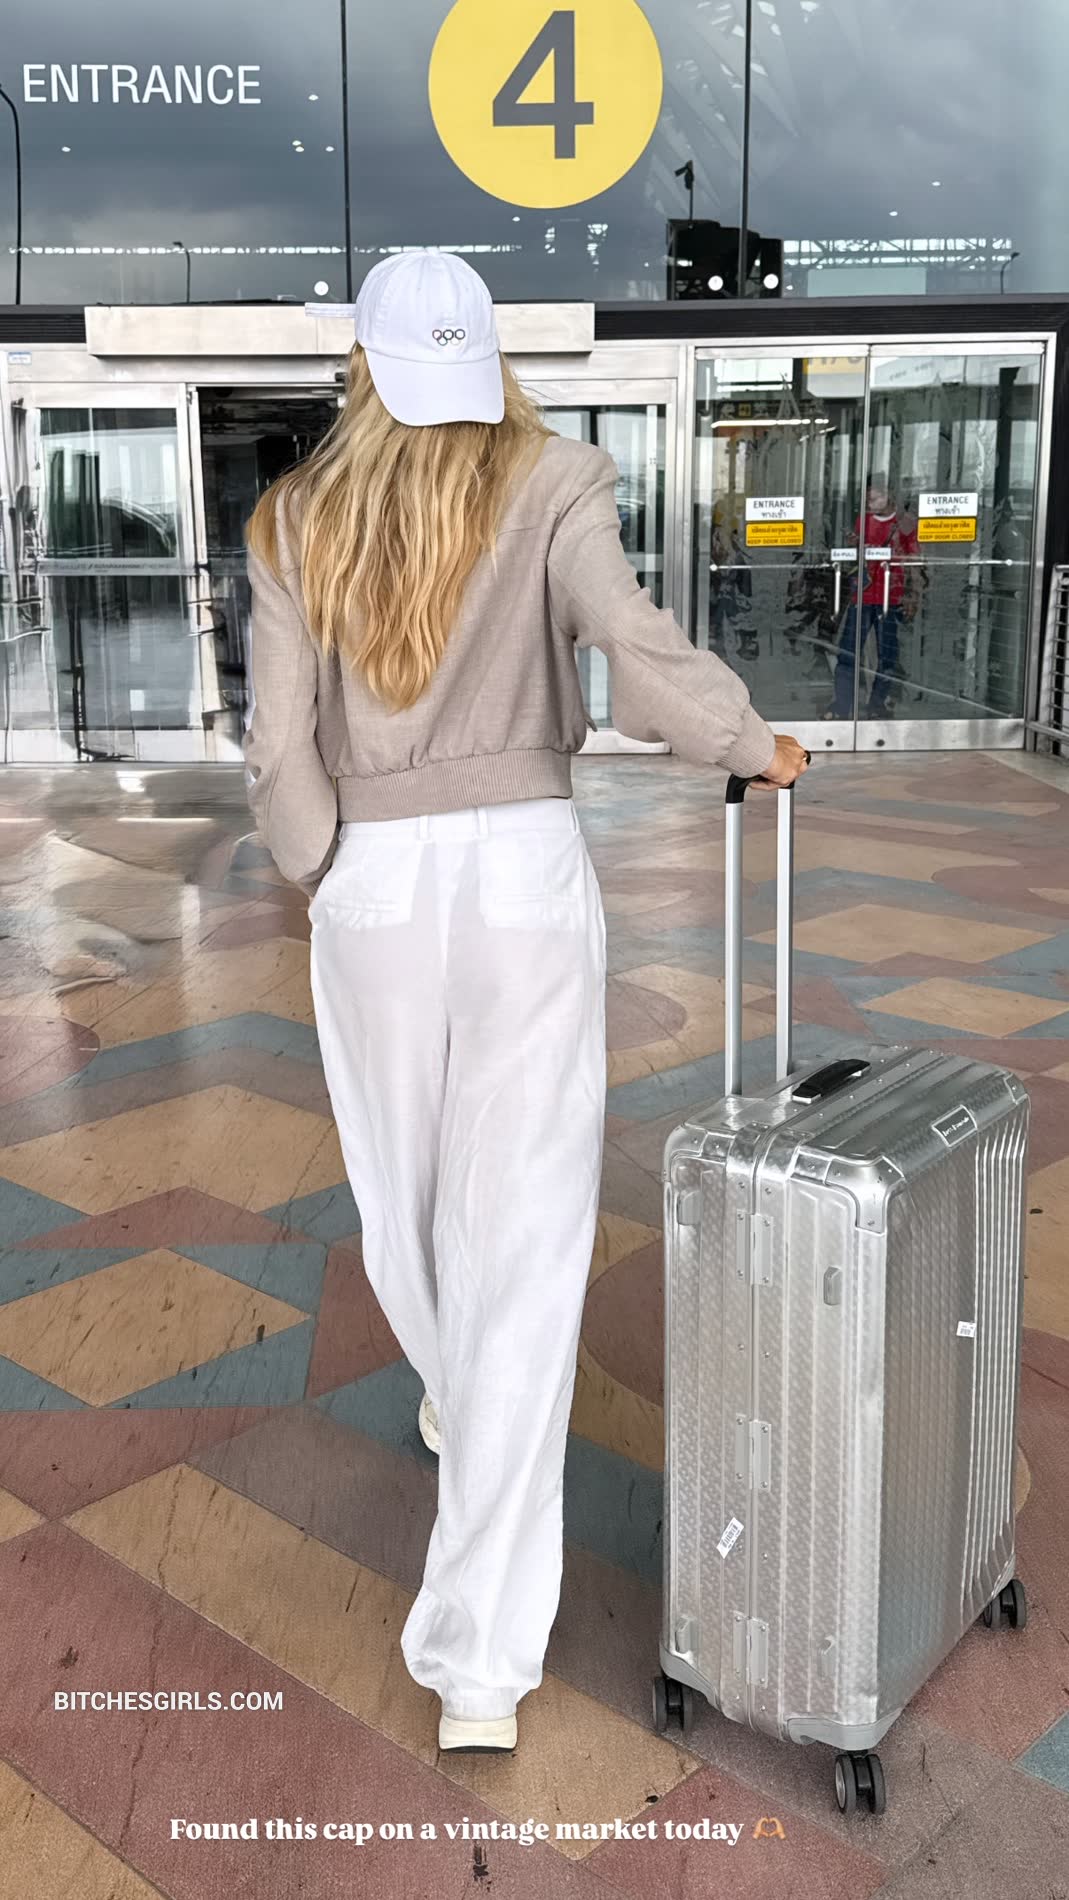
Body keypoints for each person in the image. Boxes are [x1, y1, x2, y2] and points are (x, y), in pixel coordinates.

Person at [242, 250, 808, 1758]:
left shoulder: (293, 518)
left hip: (373, 881)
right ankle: (478, 1665)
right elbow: (634, 651)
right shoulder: (556, 477)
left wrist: (326, 865)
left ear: (364, 369)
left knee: (405, 1201)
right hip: (522, 881)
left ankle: (463, 1402)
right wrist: (746, 741)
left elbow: (279, 744)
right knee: (526, 1234)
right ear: (484, 362)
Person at [826, 477, 921, 719]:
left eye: (874, 498)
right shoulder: (863, 520)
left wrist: (913, 594)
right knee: (848, 652)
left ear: (889, 494)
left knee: (887, 655)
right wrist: (856, 546)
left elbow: (915, 560)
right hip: (863, 595)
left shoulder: (905, 524)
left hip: (891, 596)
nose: (869, 503)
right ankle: (842, 706)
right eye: (867, 498)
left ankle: (877, 705)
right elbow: (860, 557)